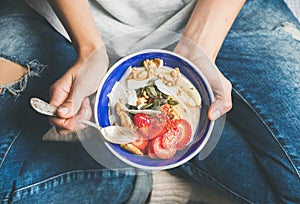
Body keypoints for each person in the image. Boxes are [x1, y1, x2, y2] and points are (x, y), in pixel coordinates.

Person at [0, 0, 299, 203]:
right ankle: (139, 183)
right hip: (61, 23)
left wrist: (199, 49)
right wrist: (89, 47)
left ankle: (177, 156)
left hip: (220, 16)